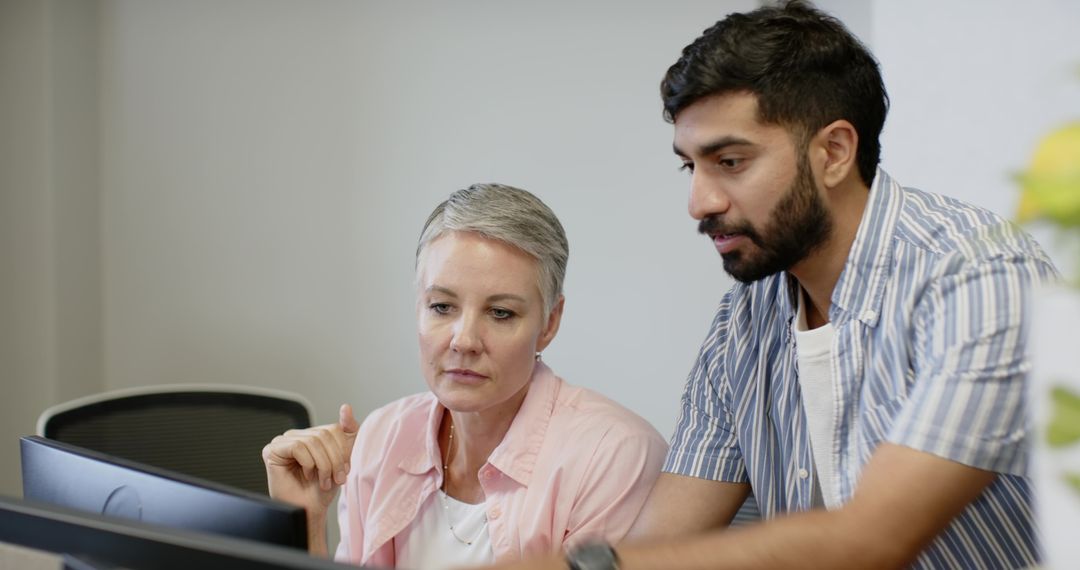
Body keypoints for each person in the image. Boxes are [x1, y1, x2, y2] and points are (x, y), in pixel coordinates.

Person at [491, 2, 1059, 570]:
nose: (700, 202)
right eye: (691, 167)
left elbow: (873, 541)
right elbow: (663, 542)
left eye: (731, 161)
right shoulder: (745, 318)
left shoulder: (978, 276)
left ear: (834, 152)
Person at [262, 183, 667, 569]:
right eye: (441, 307)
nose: (465, 341)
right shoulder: (382, 437)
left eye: (501, 313)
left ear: (549, 322)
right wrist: (305, 520)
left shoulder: (614, 455)